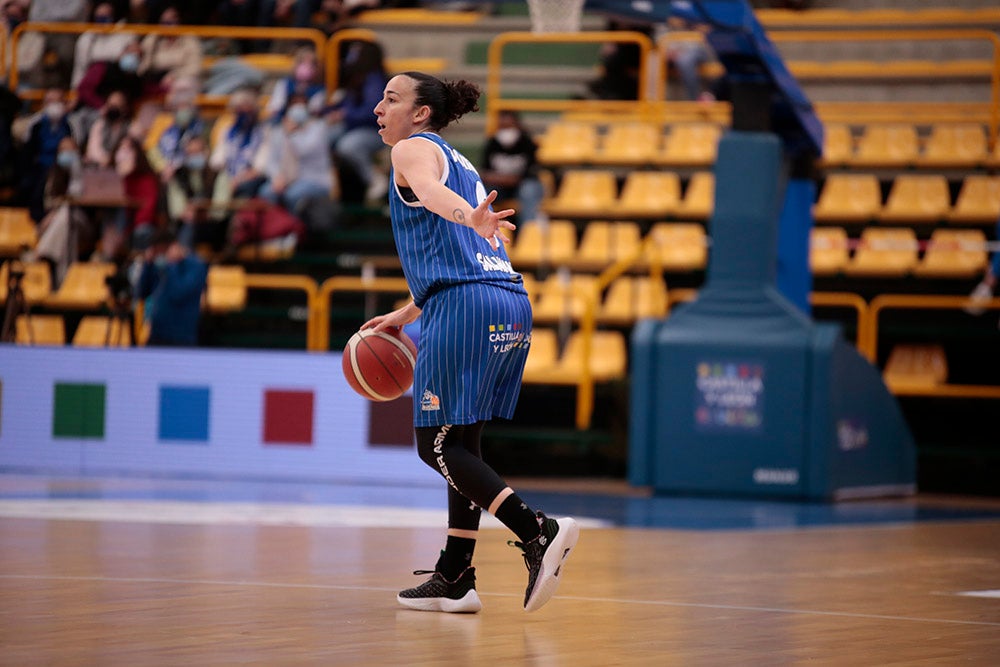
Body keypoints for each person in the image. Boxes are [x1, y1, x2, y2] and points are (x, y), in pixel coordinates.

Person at [364, 71, 579, 614]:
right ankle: (455, 573)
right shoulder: (459, 161)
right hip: (503, 300)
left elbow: (437, 202)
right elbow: (457, 247)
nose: (377, 108)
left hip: (466, 307)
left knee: (434, 445)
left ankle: (537, 531)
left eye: (391, 99)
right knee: (463, 442)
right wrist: (411, 310)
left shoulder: (411, 151)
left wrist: (467, 214)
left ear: (419, 115)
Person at [326, 39, 389, 203]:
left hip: (375, 131)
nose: (351, 57)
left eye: (356, 52)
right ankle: (327, 181)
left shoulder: (374, 80)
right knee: (323, 135)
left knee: (348, 145)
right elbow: (343, 104)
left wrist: (345, 114)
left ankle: (374, 179)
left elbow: (372, 113)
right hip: (353, 126)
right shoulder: (356, 78)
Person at [256, 95, 335, 216]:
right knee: (266, 192)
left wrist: (292, 133)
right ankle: (273, 229)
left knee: (293, 195)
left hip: (315, 180)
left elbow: (303, 150)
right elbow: (271, 161)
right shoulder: (278, 132)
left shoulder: (318, 129)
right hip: (286, 180)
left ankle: (295, 230)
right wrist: (277, 177)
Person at [135, 229, 208, 346]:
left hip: (182, 336)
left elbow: (178, 293)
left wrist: (171, 265)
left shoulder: (195, 266)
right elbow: (141, 293)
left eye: (162, 252)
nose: (160, 257)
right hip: (156, 333)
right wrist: (147, 266)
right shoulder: (158, 266)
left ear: (173, 247)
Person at [479, 110, 543, 224]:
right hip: (500, 187)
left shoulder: (528, 144)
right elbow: (484, 173)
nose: (506, 131)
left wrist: (506, 179)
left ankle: (528, 232)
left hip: (523, 186)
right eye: (502, 127)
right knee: (482, 192)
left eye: (508, 126)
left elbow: (530, 174)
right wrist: (505, 179)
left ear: (517, 125)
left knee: (528, 191)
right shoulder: (492, 144)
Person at [20, 88, 74, 222]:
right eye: (50, 101)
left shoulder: (70, 124)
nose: (54, 105)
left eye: (58, 101)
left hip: (63, 171)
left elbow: (73, 151)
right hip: (40, 169)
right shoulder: (36, 124)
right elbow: (27, 154)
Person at [138, 5, 204, 93]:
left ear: (179, 20)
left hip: (181, 80)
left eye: (173, 19)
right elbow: (143, 67)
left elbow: (195, 67)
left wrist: (174, 75)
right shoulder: (153, 39)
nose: (169, 25)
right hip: (157, 83)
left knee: (183, 85)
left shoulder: (190, 40)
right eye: (165, 22)